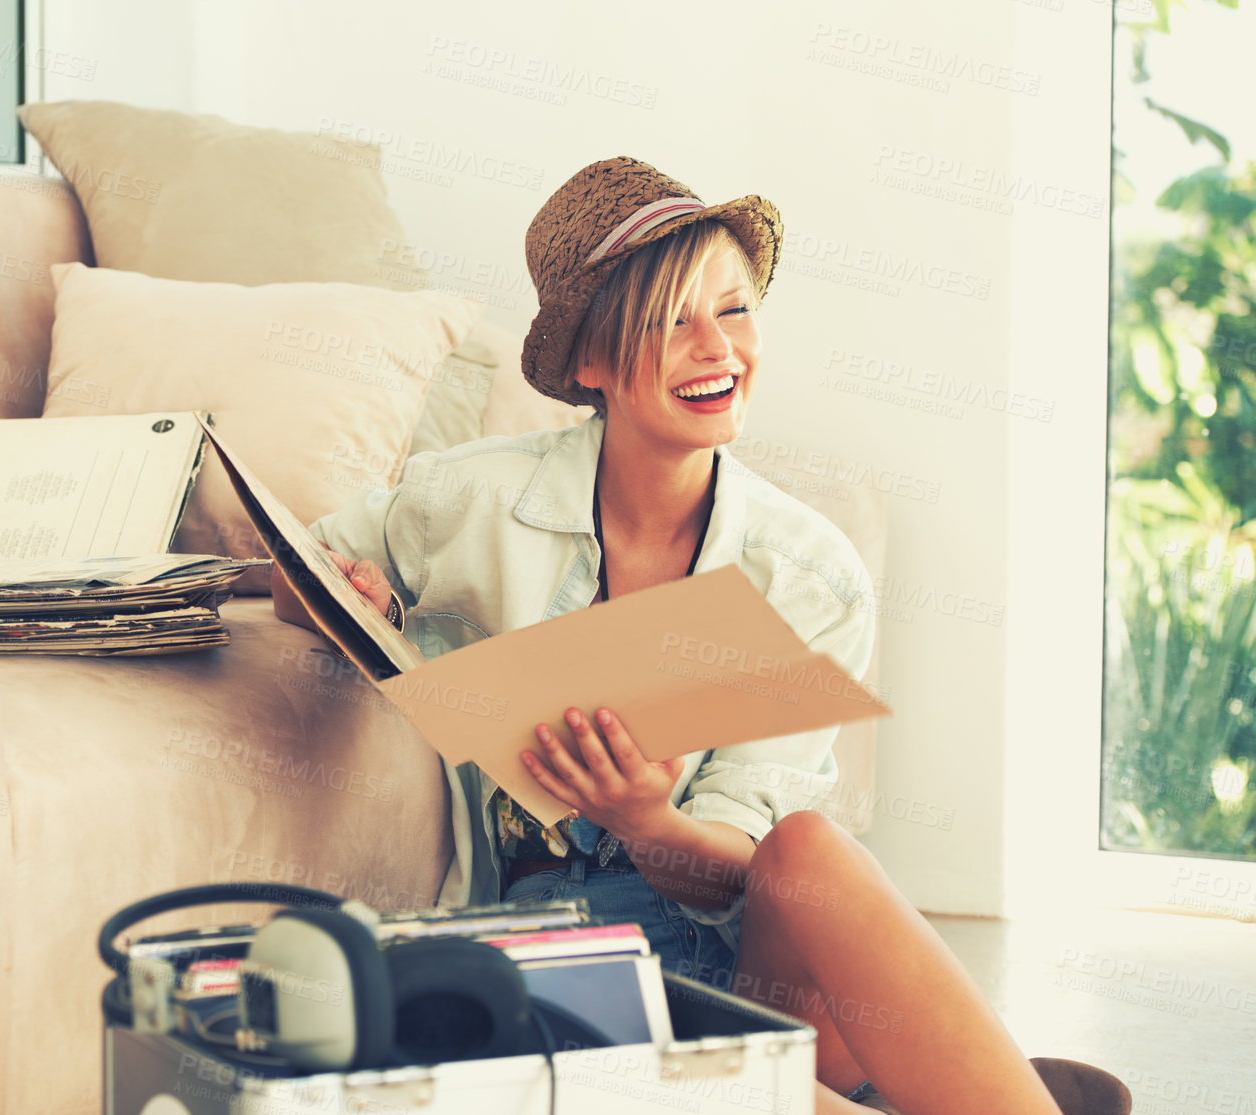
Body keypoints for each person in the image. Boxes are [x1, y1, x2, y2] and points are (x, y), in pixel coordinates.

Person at [273, 157, 1128, 1115]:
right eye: (670, 320)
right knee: (610, 1055)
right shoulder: (469, 498)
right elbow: (297, 568)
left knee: (807, 845)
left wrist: (646, 818)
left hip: (748, 978)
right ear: (589, 363)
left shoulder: (808, 575)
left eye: (733, 310)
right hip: (544, 950)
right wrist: (351, 598)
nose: (716, 347)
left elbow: (748, 870)